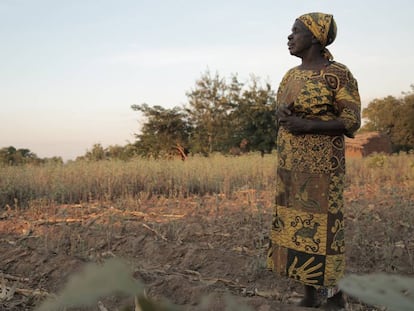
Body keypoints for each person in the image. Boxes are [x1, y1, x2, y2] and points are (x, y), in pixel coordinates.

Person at [267, 12, 361, 310]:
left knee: (325, 234)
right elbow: (282, 113)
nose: (289, 37)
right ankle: (309, 294)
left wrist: (308, 126)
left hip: (323, 170)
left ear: (315, 37)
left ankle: (333, 298)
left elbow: (351, 121)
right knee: (297, 231)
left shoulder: (339, 74)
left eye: (295, 31)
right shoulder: (290, 76)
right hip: (291, 169)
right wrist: (284, 116)